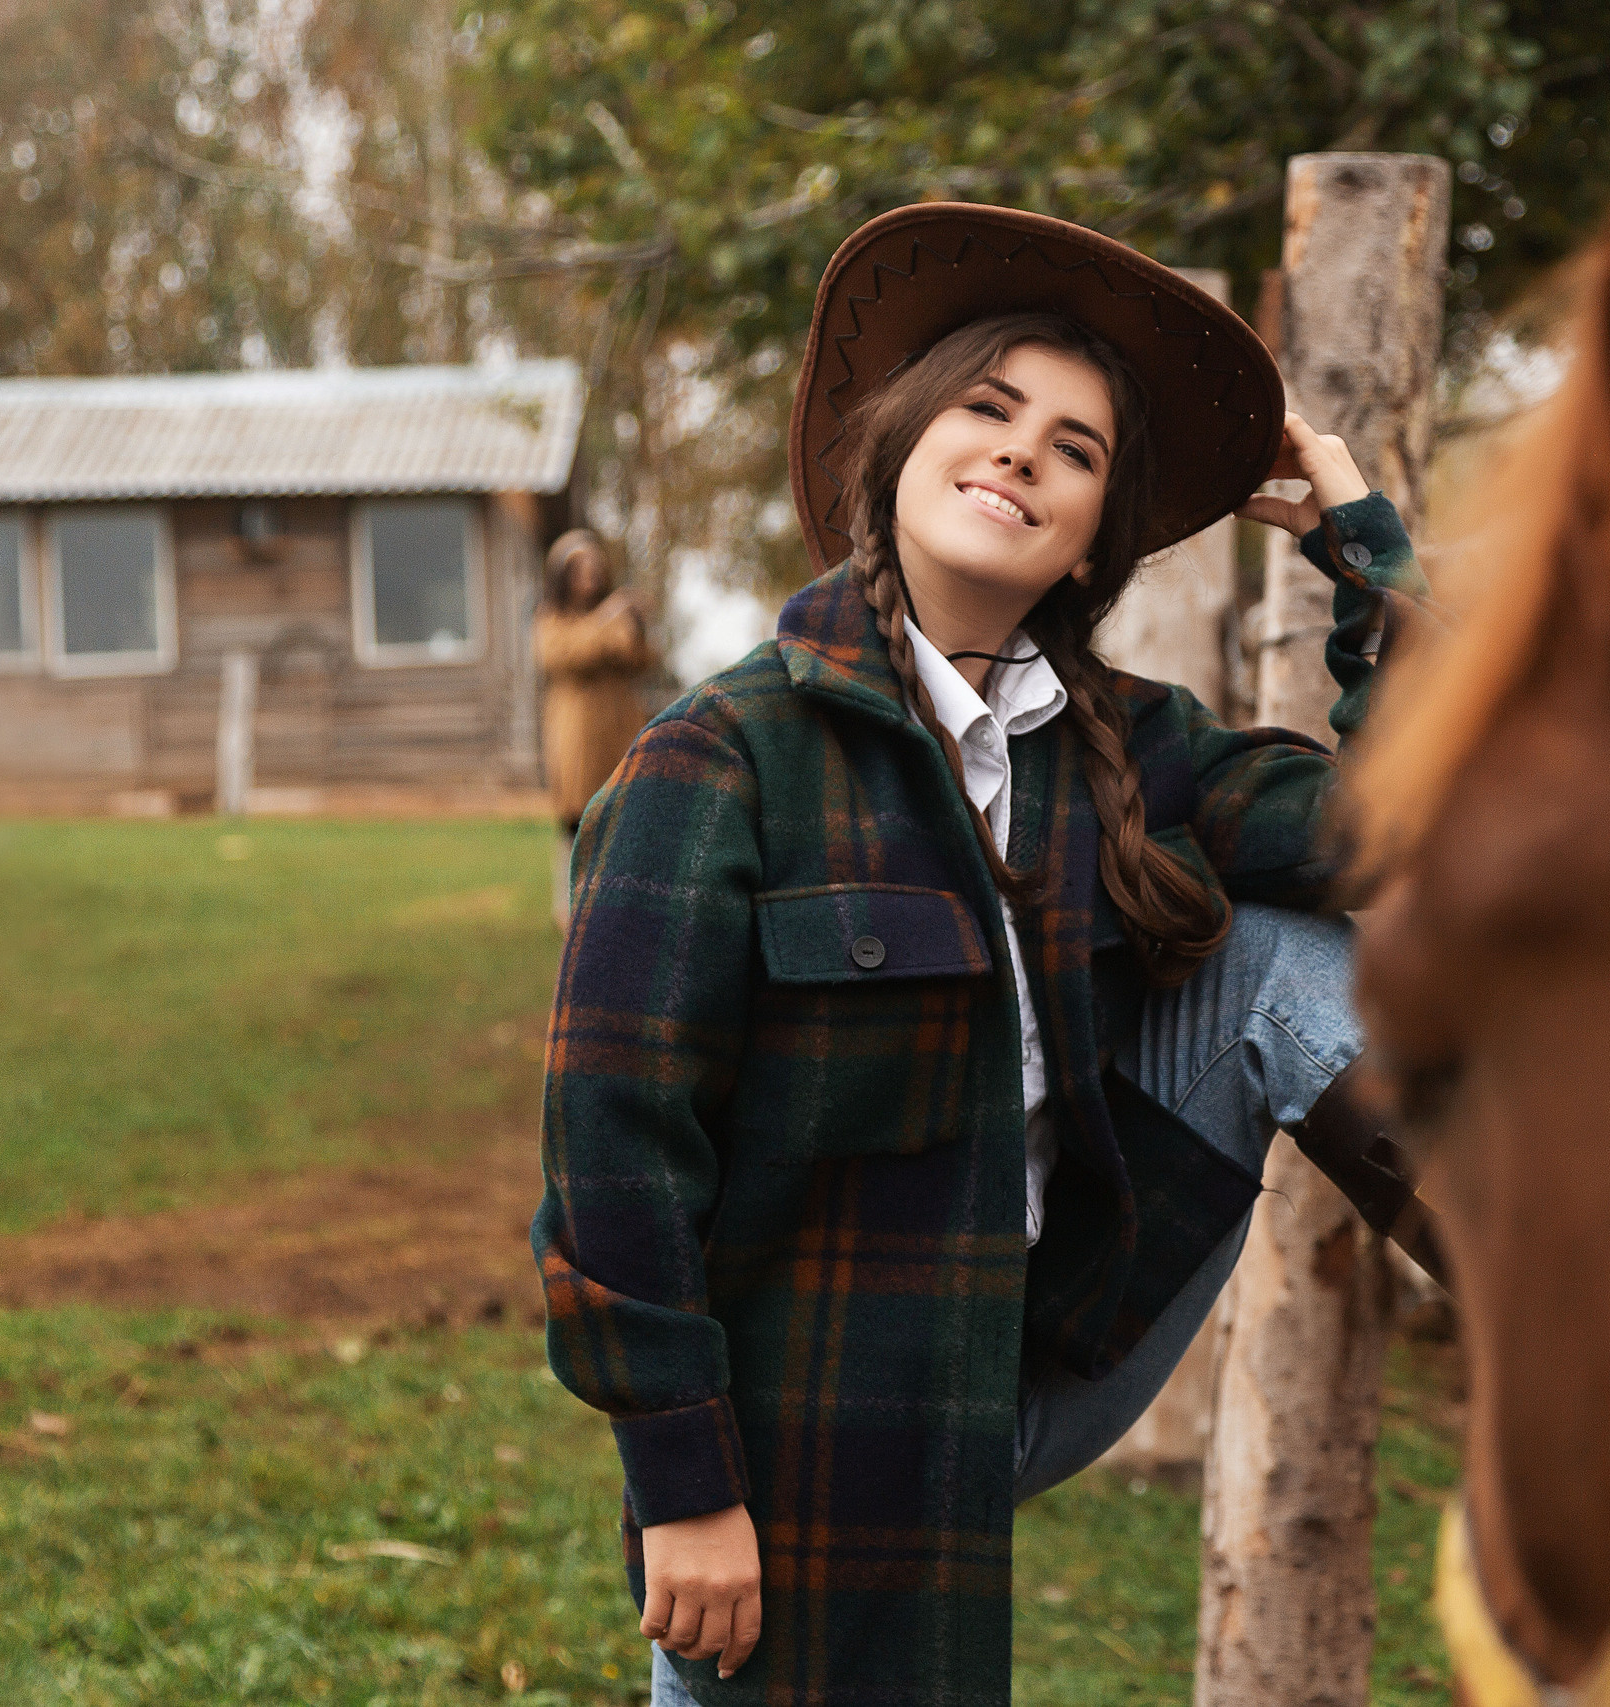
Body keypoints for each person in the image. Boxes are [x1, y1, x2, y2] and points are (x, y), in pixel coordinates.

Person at [534, 204, 1434, 1707]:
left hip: (1038, 1342)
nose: (1024, 454)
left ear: (1096, 535)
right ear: (896, 445)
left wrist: (1361, 542)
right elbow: (616, 1147)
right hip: (814, 1413)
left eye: (1076, 450)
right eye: (989, 409)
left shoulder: (1128, 747)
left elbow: (1411, 828)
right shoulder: (723, 756)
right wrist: (683, 1480)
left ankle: (1588, 1323)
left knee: (1286, 955)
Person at [533, 529, 654, 927]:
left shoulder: (612, 615)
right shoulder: (551, 619)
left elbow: (637, 655)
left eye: (594, 569)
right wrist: (605, 623)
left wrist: (630, 623)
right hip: (576, 733)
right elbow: (562, 653)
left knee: (622, 819)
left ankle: (617, 906)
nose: (590, 577)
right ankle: (568, 911)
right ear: (563, 577)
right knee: (578, 818)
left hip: (618, 729)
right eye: (579, 570)